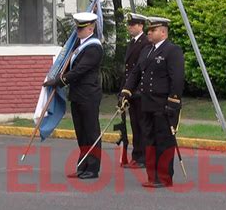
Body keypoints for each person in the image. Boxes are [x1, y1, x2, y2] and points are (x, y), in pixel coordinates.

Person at [119, 16, 184, 188]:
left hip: (163, 104)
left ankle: (164, 177)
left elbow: (176, 78)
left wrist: (173, 101)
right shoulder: (146, 51)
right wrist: (126, 91)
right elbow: (136, 73)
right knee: (150, 139)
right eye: (149, 30)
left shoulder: (172, 50)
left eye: (153, 30)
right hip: (147, 103)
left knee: (163, 140)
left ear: (163, 32)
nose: (149, 32)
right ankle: (152, 176)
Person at [43, 12, 104, 179]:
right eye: (77, 27)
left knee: (91, 132)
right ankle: (83, 165)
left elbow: (80, 70)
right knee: (81, 132)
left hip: (88, 95)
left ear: (90, 28)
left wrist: (59, 81)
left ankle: (93, 168)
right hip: (77, 95)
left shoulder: (94, 47)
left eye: (81, 28)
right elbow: (69, 66)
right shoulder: (77, 45)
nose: (78, 30)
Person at [120, 13, 151, 169]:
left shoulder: (145, 42)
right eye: (129, 25)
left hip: (140, 91)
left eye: (133, 25)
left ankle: (143, 157)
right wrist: (124, 90)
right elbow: (128, 70)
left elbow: (140, 69)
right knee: (134, 124)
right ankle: (137, 154)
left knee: (141, 125)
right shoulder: (132, 43)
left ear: (141, 26)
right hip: (131, 91)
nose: (130, 27)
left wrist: (134, 89)